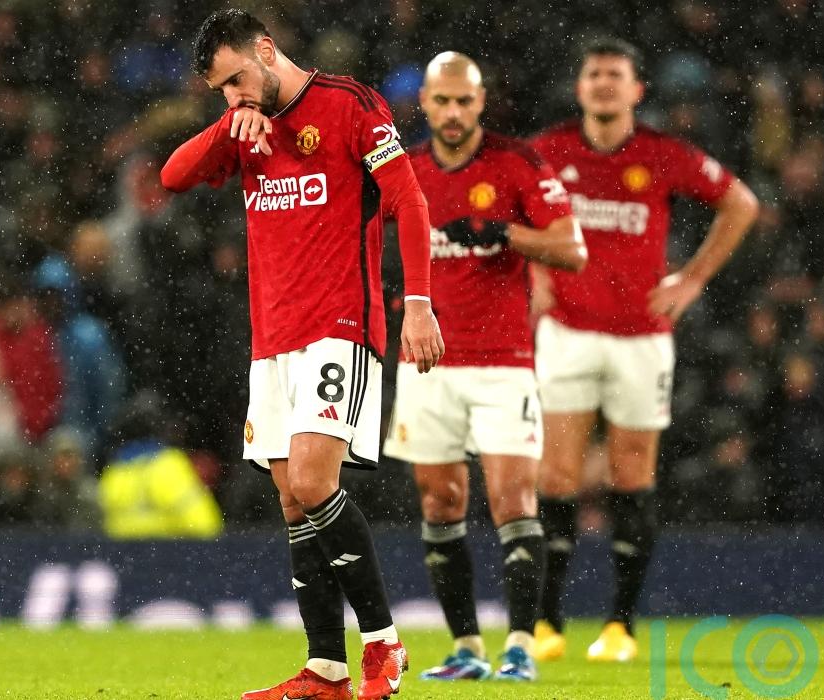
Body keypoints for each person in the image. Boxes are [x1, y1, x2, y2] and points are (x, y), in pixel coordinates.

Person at [159, 10, 444, 700]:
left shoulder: (349, 105)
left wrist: (418, 303)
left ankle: (383, 643)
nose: (233, 95)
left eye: (237, 80)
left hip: (339, 325)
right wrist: (231, 123)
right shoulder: (243, 128)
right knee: (292, 500)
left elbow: (408, 200)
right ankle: (325, 669)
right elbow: (172, 175)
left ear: (265, 49)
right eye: (220, 90)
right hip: (273, 338)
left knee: (314, 484)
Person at [528, 38, 759, 663]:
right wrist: (536, 271)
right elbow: (504, 205)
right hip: (568, 332)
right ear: (580, 88)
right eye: (594, 73)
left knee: (632, 476)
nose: (604, 82)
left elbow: (741, 203)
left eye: (616, 74)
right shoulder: (548, 152)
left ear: (637, 90)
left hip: (642, 339)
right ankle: (547, 623)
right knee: (556, 476)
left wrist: (694, 278)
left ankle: (620, 626)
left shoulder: (662, 154)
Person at [382, 52, 584, 683]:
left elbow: (572, 248)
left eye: (463, 101)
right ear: (424, 102)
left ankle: (520, 646)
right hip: (427, 363)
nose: (452, 112)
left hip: (504, 362)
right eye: (441, 101)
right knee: (439, 500)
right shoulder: (404, 169)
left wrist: (505, 234)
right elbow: (361, 233)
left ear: (481, 102)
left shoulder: (517, 163)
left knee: (513, 497)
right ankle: (467, 648)